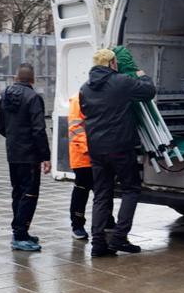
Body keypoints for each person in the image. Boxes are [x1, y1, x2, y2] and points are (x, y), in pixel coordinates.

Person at [78, 48, 156, 257]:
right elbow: (149, 92)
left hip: (96, 149)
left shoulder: (85, 88)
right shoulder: (121, 81)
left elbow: (86, 112)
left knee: (102, 194)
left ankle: (98, 244)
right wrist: (142, 75)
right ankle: (120, 237)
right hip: (121, 147)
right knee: (131, 189)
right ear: (113, 63)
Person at [0, 63, 50, 252]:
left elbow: (0, 126)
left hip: (13, 153)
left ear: (16, 77)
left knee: (17, 192)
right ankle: (19, 235)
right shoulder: (33, 98)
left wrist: (14, 139)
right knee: (30, 194)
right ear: (32, 80)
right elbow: (38, 129)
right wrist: (45, 156)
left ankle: (20, 231)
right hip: (30, 155)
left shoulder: (5, 96)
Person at [66, 94, 114, 241]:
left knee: (104, 190)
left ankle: (107, 220)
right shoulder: (78, 99)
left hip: (100, 154)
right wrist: (90, 149)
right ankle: (77, 225)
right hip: (83, 155)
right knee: (82, 189)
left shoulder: (103, 97)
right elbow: (75, 127)